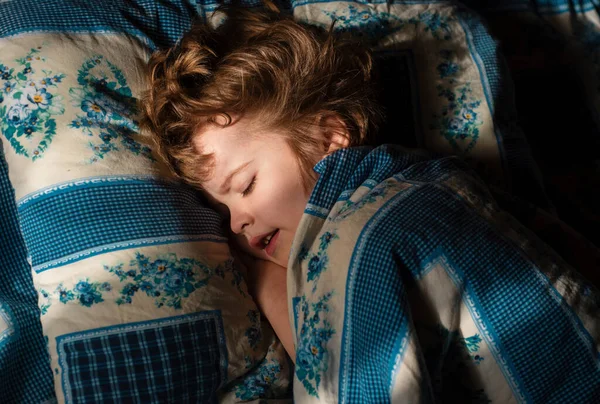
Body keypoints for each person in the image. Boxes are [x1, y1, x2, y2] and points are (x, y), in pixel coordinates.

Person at [141, 3, 600, 402]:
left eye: (244, 186)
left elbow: (339, 380)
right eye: (221, 211)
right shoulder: (434, 186)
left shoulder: (360, 237)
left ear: (329, 137)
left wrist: (262, 276)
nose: (236, 223)